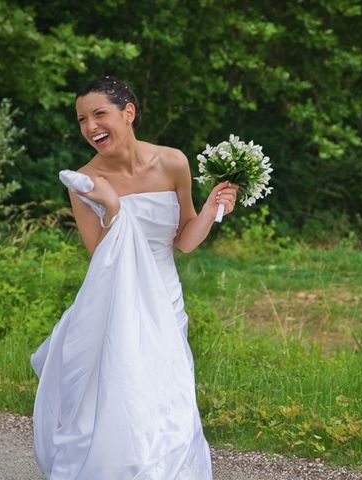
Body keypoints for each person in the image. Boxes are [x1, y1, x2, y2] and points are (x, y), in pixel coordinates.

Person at [30, 76, 238, 479]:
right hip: (116, 300)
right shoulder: (84, 181)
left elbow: (184, 241)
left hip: (165, 297)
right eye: (81, 119)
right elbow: (101, 257)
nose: (90, 127)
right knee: (124, 396)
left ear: (128, 113)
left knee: (168, 399)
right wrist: (111, 208)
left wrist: (212, 207)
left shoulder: (173, 161)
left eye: (99, 114)